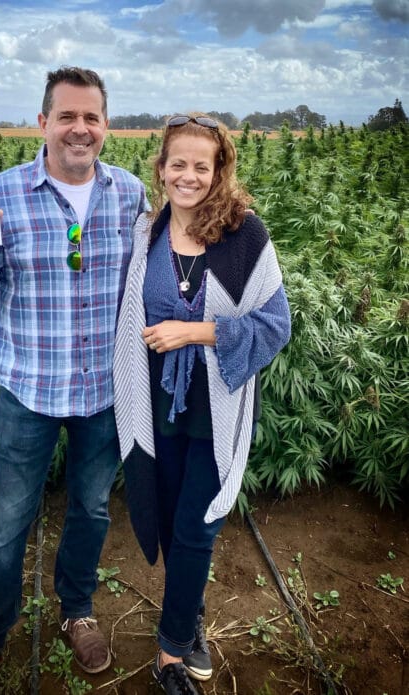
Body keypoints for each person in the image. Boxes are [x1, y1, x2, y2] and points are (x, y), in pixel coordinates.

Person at [0, 66, 148, 695]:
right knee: (8, 524)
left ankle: (77, 611)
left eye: (91, 117)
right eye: (67, 116)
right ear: (43, 123)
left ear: (107, 127)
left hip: (101, 394)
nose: (79, 128)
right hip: (28, 392)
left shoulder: (131, 195)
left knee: (90, 510)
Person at [113, 113, 291, 695]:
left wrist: (194, 333)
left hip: (218, 404)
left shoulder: (245, 237)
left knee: (196, 526)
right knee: (167, 518)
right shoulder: (147, 234)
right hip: (159, 398)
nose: (188, 175)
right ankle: (188, 616)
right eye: (177, 163)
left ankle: (169, 654)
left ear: (218, 172)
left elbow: (274, 325)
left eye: (201, 165)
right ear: (160, 169)